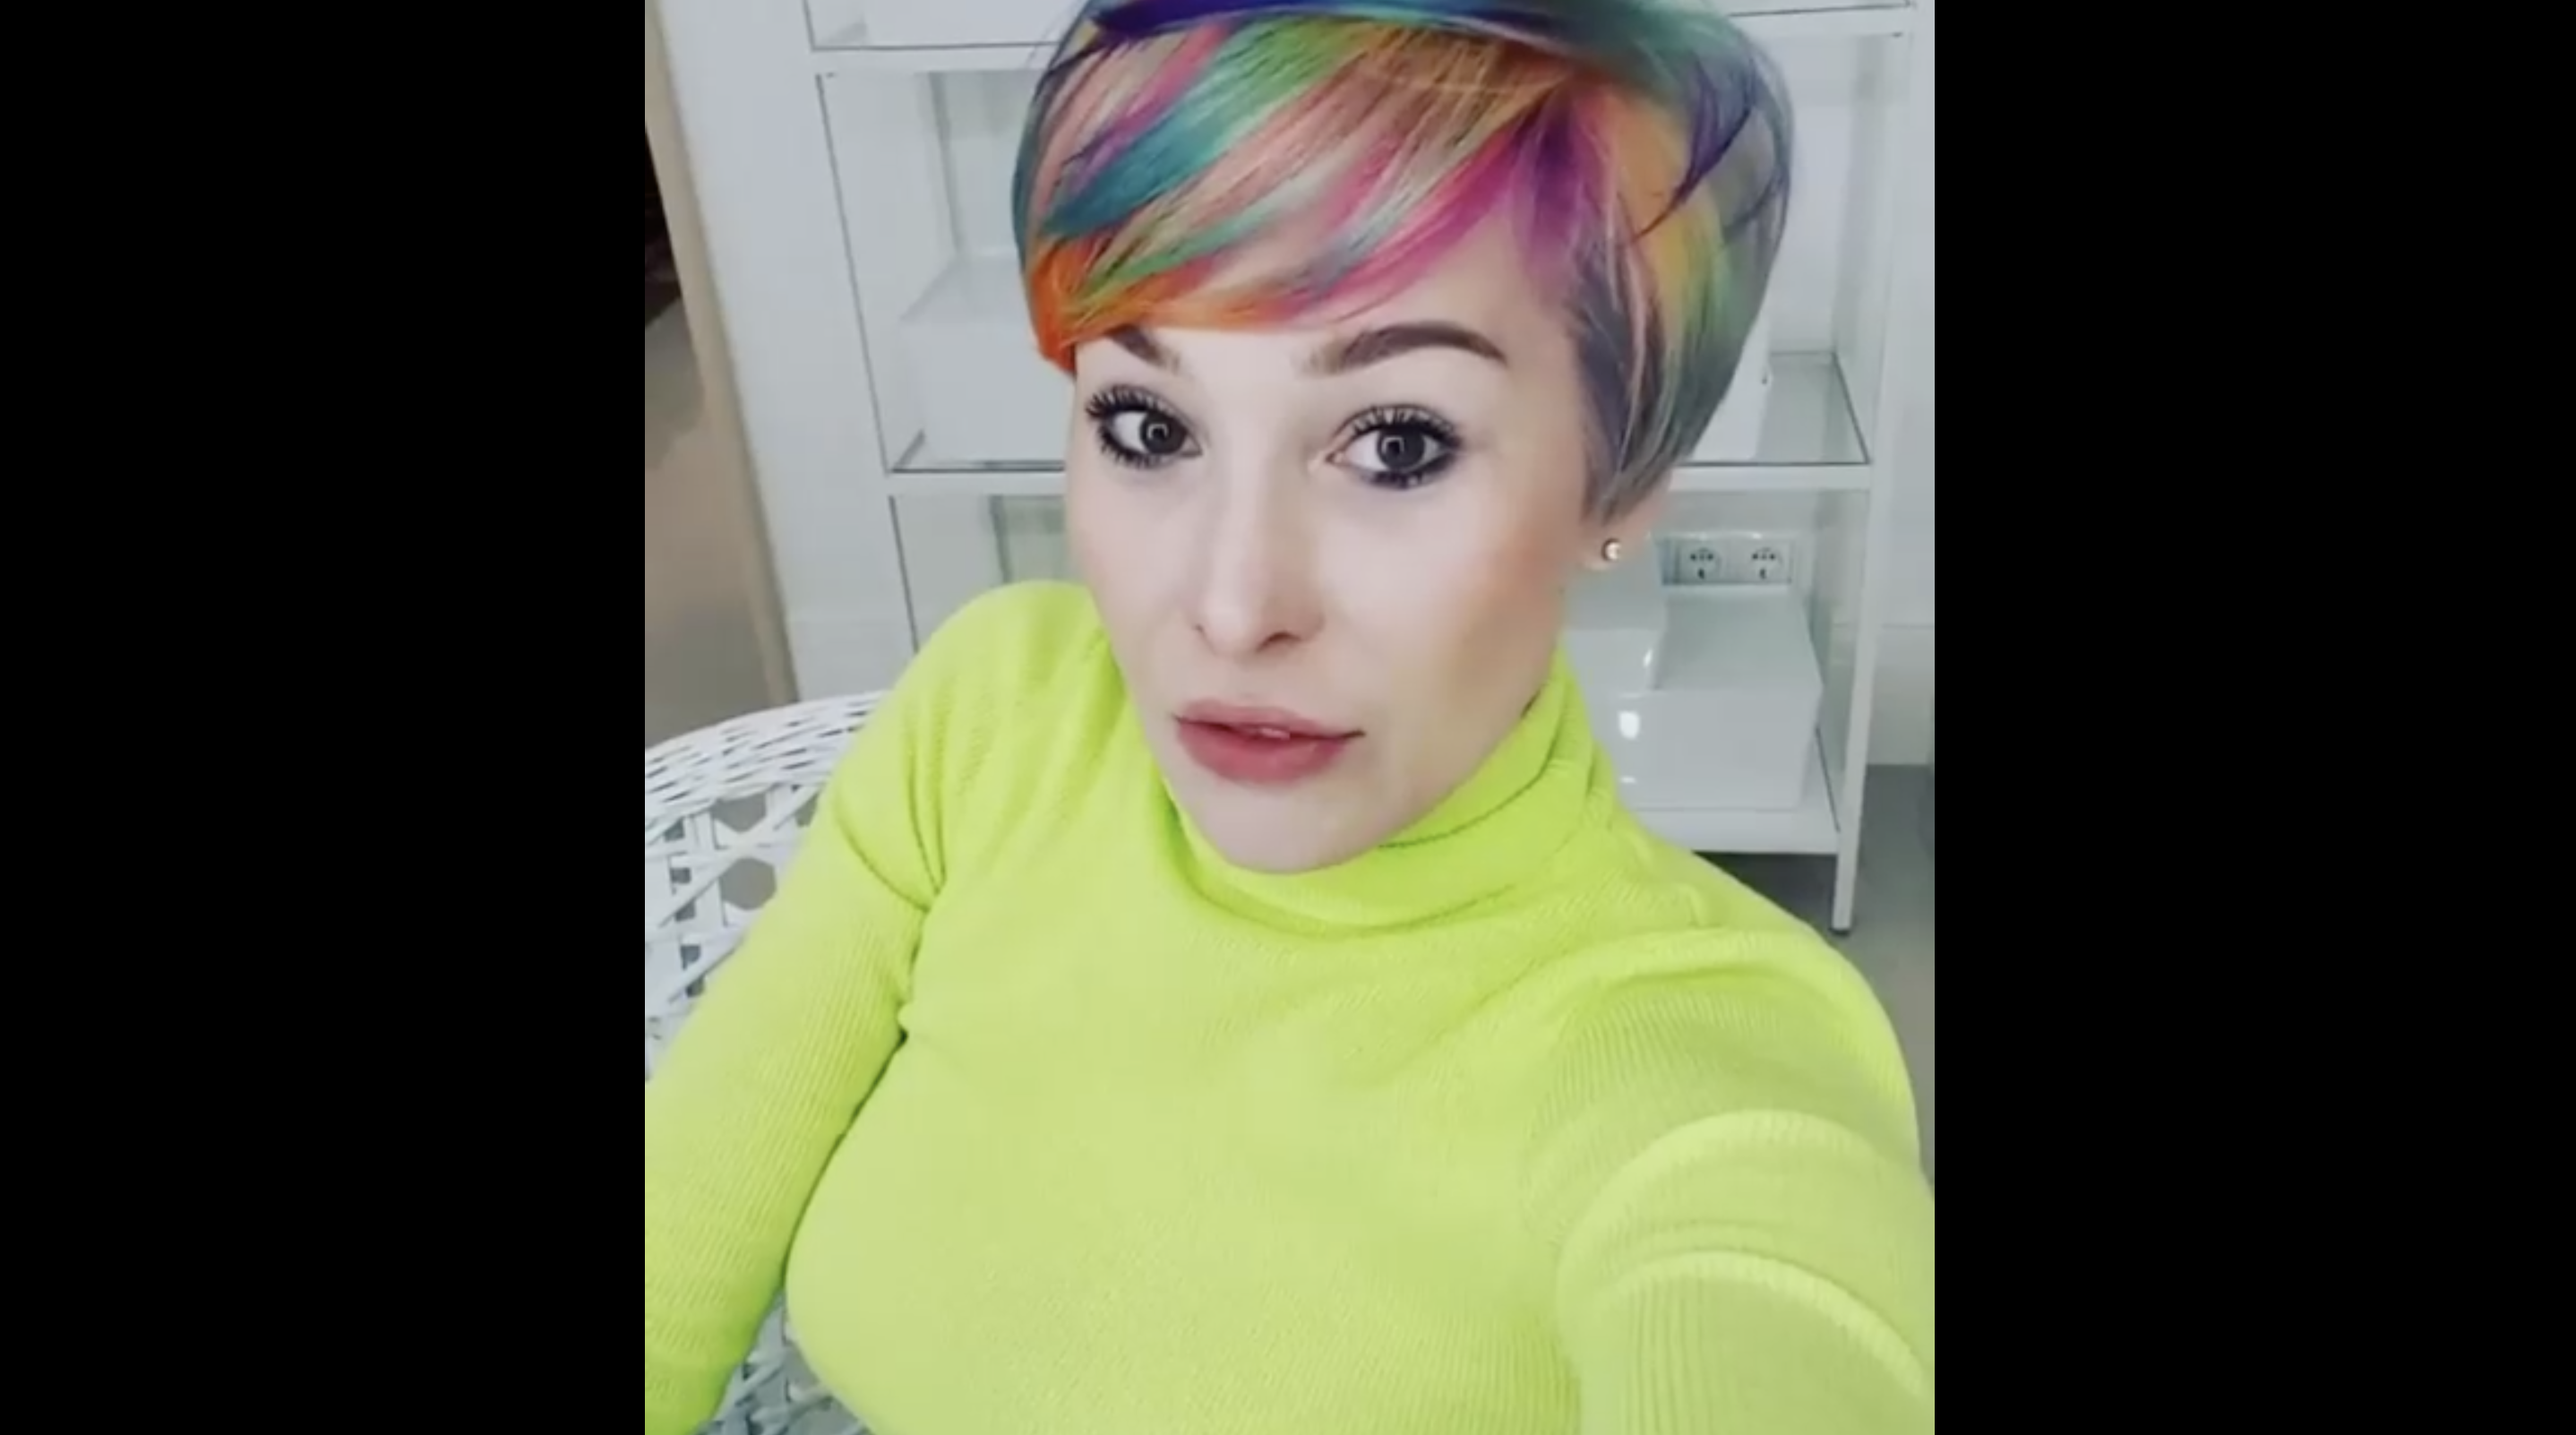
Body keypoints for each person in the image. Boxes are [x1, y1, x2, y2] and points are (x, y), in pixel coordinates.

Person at [644, 2, 1936, 1431]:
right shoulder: (994, 717)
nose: (1231, 604)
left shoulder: (1706, 1056)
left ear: (1621, 481)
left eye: (1398, 443)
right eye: (1149, 425)